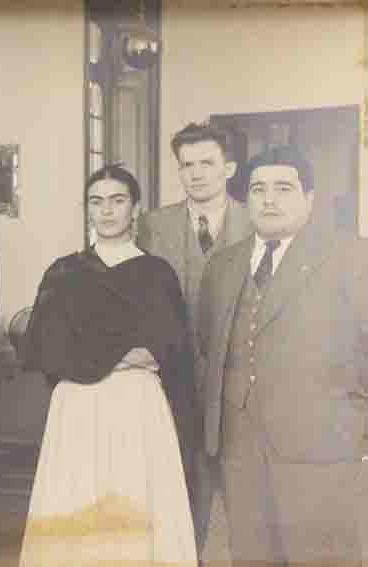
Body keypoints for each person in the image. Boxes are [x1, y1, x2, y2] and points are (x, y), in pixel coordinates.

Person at [18, 164, 198, 566]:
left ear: (135, 208)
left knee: (136, 493)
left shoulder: (157, 273)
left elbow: (168, 347)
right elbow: (46, 346)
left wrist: (95, 349)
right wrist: (119, 354)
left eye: (117, 200)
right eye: (97, 201)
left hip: (137, 403)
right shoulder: (63, 272)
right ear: (87, 209)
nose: (107, 210)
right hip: (78, 402)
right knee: (78, 495)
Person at [198, 146, 368, 564]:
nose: (269, 199)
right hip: (239, 450)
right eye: (258, 189)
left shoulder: (350, 256)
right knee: (252, 557)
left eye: (283, 188)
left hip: (323, 447)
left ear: (309, 197)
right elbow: (209, 342)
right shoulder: (222, 265)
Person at [136, 121, 253, 552]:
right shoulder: (152, 225)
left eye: (207, 163)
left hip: (239, 381)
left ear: (230, 168)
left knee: (244, 488)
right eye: (187, 165)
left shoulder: (255, 220)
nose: (196, 174)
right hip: (172, 378)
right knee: (178, 484)